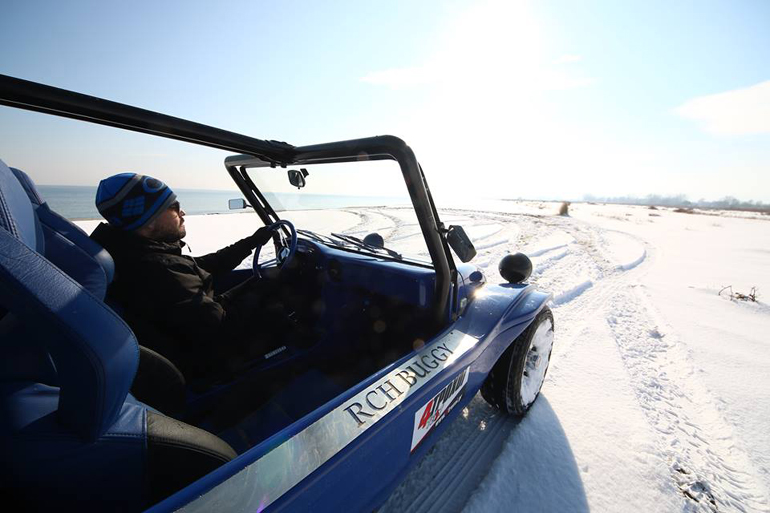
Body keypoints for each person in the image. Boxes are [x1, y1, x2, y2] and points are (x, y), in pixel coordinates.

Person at [90, 172, 277, 381]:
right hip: (209, 363)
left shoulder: (132, 251)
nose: (183, 212)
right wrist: (265, 290)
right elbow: (222, 328)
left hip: (190, 335)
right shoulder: (158, 271)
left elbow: (196, 266)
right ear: (148, 220)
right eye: (174, 207)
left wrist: (250, 242)